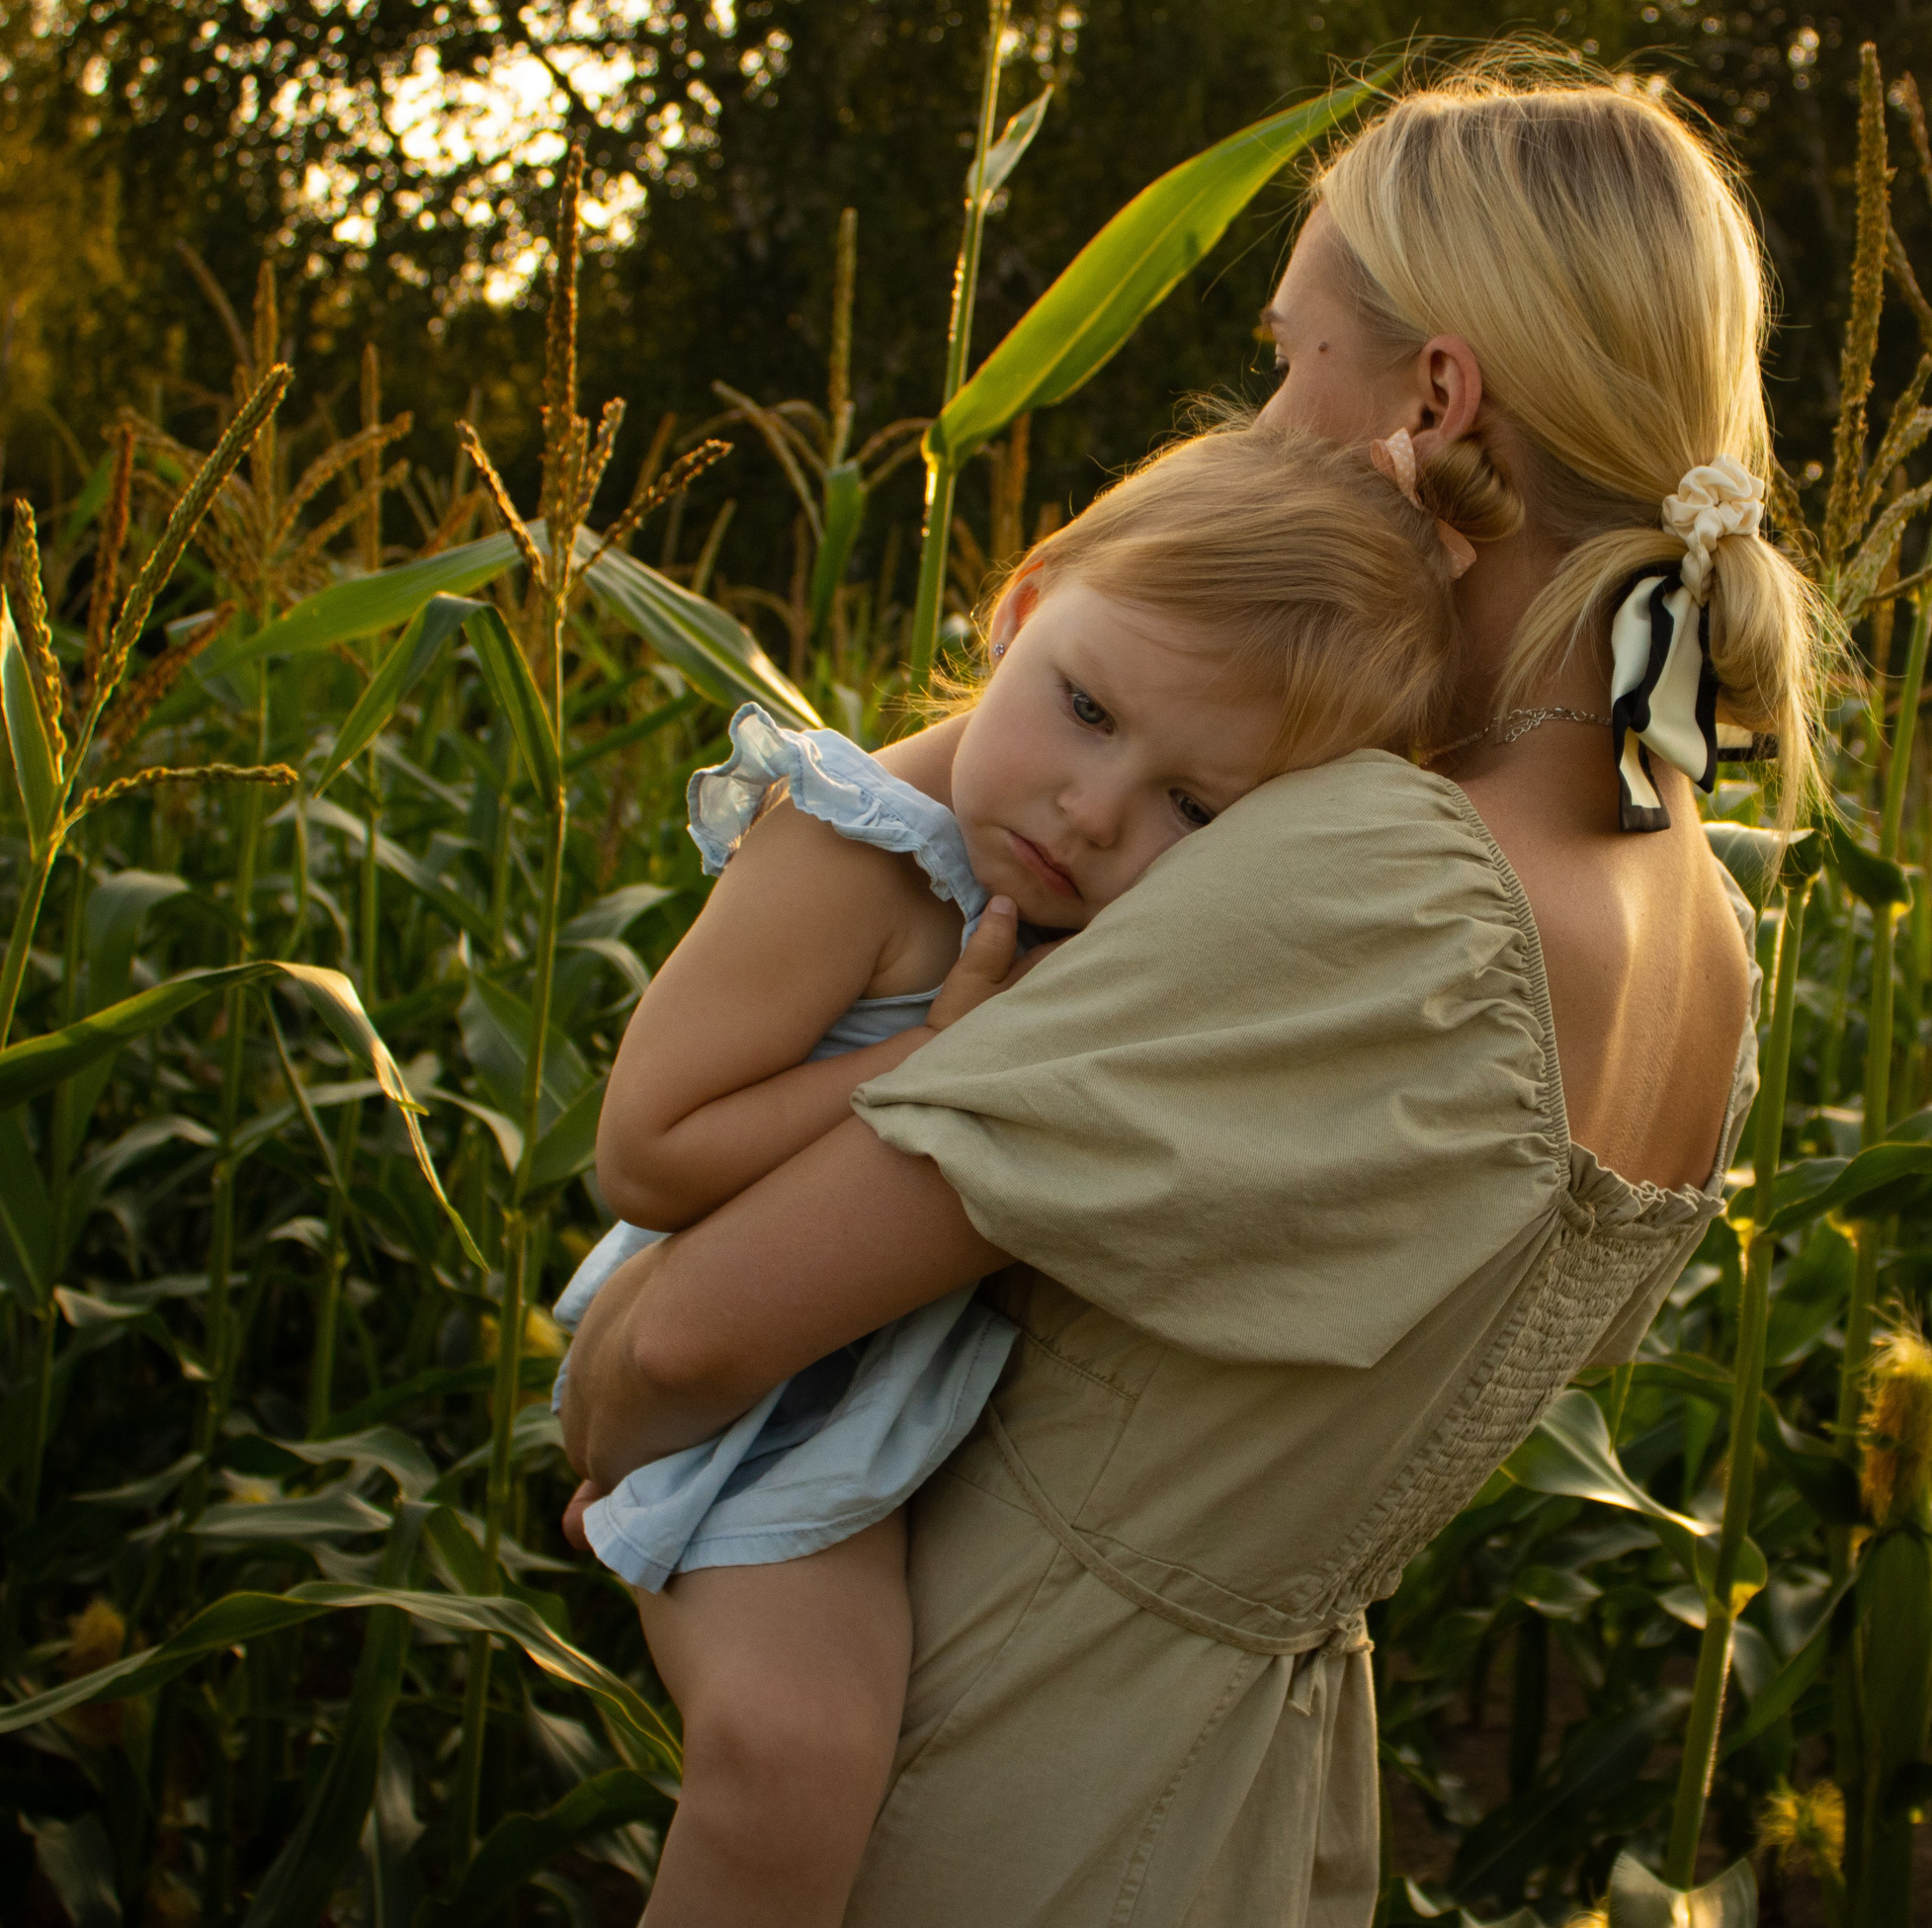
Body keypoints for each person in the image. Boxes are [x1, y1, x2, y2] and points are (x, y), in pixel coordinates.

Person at [564, 57, 1830, 1927]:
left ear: (1435, 395)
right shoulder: (1707, 935)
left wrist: (598, 1400)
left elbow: (675, 1348)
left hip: (1005, 1791)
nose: (1265, 415)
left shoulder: (1381, 880)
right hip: (1256, 1806)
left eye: (1290, 352)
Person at [552, 420, 1496, 1925]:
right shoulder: (851, 848)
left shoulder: (1115, 913)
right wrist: (939, 1054)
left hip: (893, 1391)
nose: (1091, 812)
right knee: (794, 1753)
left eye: (1197, 807)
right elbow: (646, 1154)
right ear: (1020, 602)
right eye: (1084, 708)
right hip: (763, 1405)